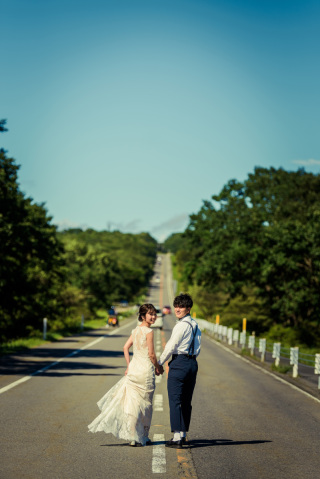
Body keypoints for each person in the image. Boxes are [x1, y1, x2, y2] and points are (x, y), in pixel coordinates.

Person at [88, 303, 163, 447]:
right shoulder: (149, 332)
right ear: (143, 316)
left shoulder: (135, 331)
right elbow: (152, 354)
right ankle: (143, 436)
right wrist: (158, 367)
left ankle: (133, 436)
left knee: (133, 404)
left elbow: (125, 347)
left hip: (134, 370)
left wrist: (129, 365)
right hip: (146, 371)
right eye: (150, 314)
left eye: (154, 314)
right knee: (145, 405)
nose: (153, 317)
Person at [156, 293, 201, 448]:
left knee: (175, 400)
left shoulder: (181, 325)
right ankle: (182, 434)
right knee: (186, 401)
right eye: (176, 306)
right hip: (192, 363)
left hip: (180, 362)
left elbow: (171, 346)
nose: (177, 309)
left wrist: (159, 363)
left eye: (181, 306)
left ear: (188, 308)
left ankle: (176, 437)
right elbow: (197, 346)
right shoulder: (195, 325)